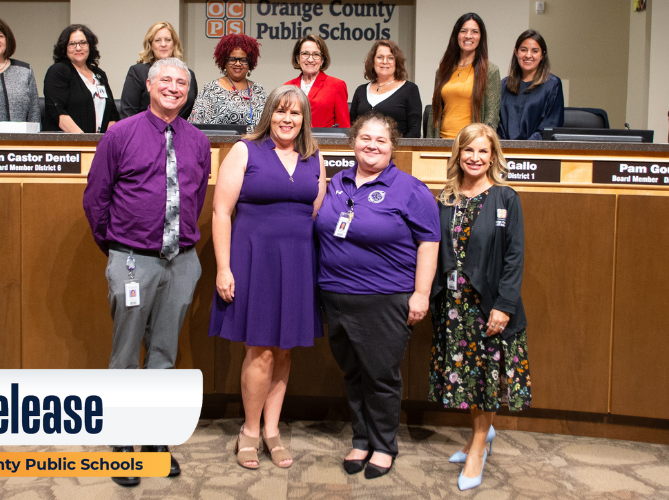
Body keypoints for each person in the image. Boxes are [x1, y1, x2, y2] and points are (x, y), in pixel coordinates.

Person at [82, 58, 210, 488]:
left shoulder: (197, 140)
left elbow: (195, 196)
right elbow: (96, 198)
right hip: (133, 257)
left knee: (164, 353)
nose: (174, 88)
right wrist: (117, 247)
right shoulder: (120, 133)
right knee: (125, 355)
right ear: (150, 85)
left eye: (182, 83)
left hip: (182, 260)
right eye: (166, 81)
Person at [316, 112, 439, 480]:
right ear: (353, 143)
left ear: (392, 148)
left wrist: (421, 294)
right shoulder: (335, 182)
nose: (371, 145)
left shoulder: (410, 189)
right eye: (365, 138)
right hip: (335, 296)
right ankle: (361, 438)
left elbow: (429, 244)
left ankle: (384, 445)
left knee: (380, 376)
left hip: (385, 299)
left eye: (380, 140)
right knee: (353, 373)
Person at [210, 85, 325, 470]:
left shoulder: (314, 157)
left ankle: (272, 431)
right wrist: (224, 268)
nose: (287, 119)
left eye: (295, 113)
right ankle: (249, 431)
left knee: (285, 350)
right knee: (259, 349)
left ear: (304, 119)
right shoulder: (245, 150)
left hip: (297, 263)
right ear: (268, 114)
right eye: (280, 111)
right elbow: (221, 212)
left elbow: (315, 213)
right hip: (253, 261)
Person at [428, 123, 531, 491]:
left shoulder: (505, 198)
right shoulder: (447, 197)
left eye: (483, 151)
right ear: (458, 154)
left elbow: (514, 257)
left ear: (493, 156)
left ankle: (476, 450)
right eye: (468, 150)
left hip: (488, 306)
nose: (475, 158)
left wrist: (503, 305)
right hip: (453, 306)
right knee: (469, 380)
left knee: (485, 380)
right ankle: (480, 435)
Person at [426, 13, 500, 139]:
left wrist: (481, 144)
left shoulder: (490, 71)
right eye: (463, 31)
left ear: (481, 37)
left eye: (474, 32)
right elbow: (435, 111)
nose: (468, 36)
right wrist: (430, 143)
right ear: (456, 35)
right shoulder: (443, 69)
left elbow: (491, 117)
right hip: (442, 141)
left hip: (471, 144)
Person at [42, 24, 120, 133]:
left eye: (83, 43)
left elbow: (112, 114)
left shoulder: (99, 74)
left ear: (90, 46)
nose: (78, 48)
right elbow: (58, 112)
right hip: (71, 145)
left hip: (99, 144)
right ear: (65, 47)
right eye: (72, 44)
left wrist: (106, 142)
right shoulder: (58, 71)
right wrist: (84, 142)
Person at [119, 22, 198, 120]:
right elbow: (128, 113)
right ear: (151, 45)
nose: (163, 44)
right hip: (144, 132)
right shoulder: (138, 72)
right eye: (157, 40)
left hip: (180, 132)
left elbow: (193, 111)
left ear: (174, 43)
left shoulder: (188, 74)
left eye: (168, 40)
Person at [188, 34, 267, 130]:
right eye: (232, 59)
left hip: (255, 144)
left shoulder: (259, 90)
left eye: (243, 60)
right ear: (224, 62)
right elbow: (195, 125)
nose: (238, 64)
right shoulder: (211, 89)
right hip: (219, 144)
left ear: (250, 63)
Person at [498, 30, 564, 140]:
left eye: (535, 51)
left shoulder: (553, 84)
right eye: (523, 50)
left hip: (537, 152)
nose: (528, 55)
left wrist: (525, 150)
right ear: (516, 52)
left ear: (542, 55)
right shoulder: (504, 85)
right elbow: (497, 125)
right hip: (504, 152)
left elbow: (550, 126)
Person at [349, 40, 422, 138]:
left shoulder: (410, 90)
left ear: (397, 62)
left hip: (398, 151)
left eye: (390, 58)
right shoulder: (361, 91)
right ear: (373, 60)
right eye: (380, 57)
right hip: (364, 150)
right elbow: (352, 128)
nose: (384, 61)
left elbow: (414, 132)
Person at [284, 35, 349, 128]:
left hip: (323, 142)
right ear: (298, 58)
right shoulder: (287, 87)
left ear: (322, 60)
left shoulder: (336, 85)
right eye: (305, 54)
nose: (310, 59)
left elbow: (344, 128)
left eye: (316, 54)